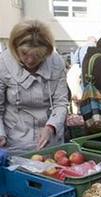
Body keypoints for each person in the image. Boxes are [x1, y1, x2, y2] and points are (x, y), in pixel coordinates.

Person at [0, 20, 68, 155]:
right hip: (14, 140)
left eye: (36, 56)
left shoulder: (56, 62)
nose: (30, 60)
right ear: (15, 48)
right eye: (24, 53)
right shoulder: (3, 63)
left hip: (50, 140)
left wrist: (51, 126)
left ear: (46, 53)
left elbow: (60, 103)